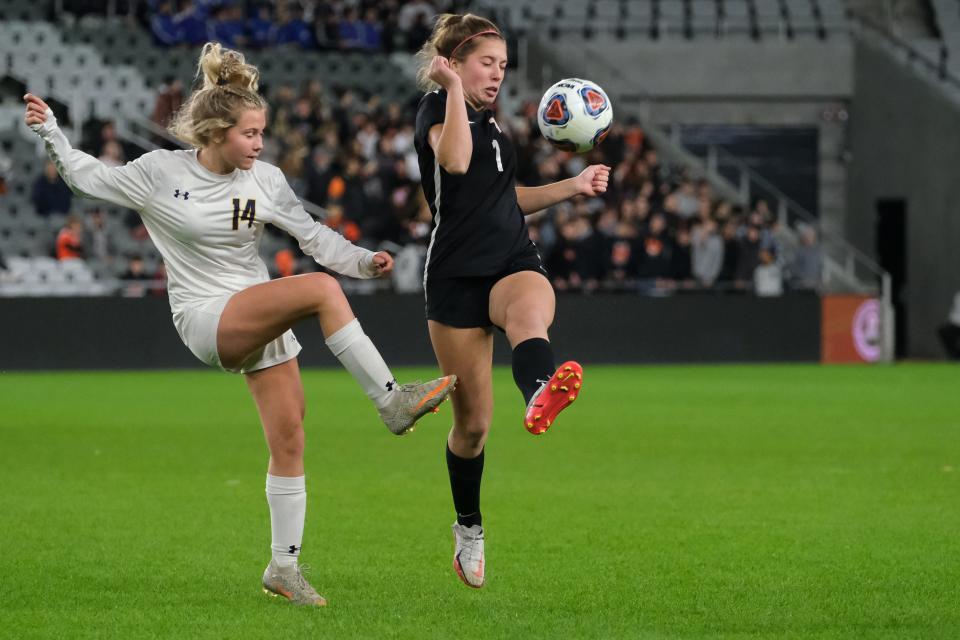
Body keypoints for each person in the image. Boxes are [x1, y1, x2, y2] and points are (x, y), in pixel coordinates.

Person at [24, 42, 455, 607]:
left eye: (262, 133)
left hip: (256, 310)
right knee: (321, 291)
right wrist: (53, 132)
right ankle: (392, 401)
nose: (259, 143)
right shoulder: (160, 172)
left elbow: (313, 237)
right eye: (249, 134)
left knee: (291, 436)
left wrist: (363, 262)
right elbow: (87, 178)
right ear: (215, 132)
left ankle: (284, 568)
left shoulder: (266, 180)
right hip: (205, 315)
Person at [412, 14, 610, 589]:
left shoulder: (495, 130)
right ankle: (468, 529)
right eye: (486, 63)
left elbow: (506, 202)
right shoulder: (435, 109)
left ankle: (540, 390)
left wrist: (572, 187)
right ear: (454, 62)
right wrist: (449, 89)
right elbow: (452, 160)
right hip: (455, 277)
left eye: (502, 65)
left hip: (510, 261)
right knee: (471, 428)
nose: (497, 73)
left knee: (530, 310)